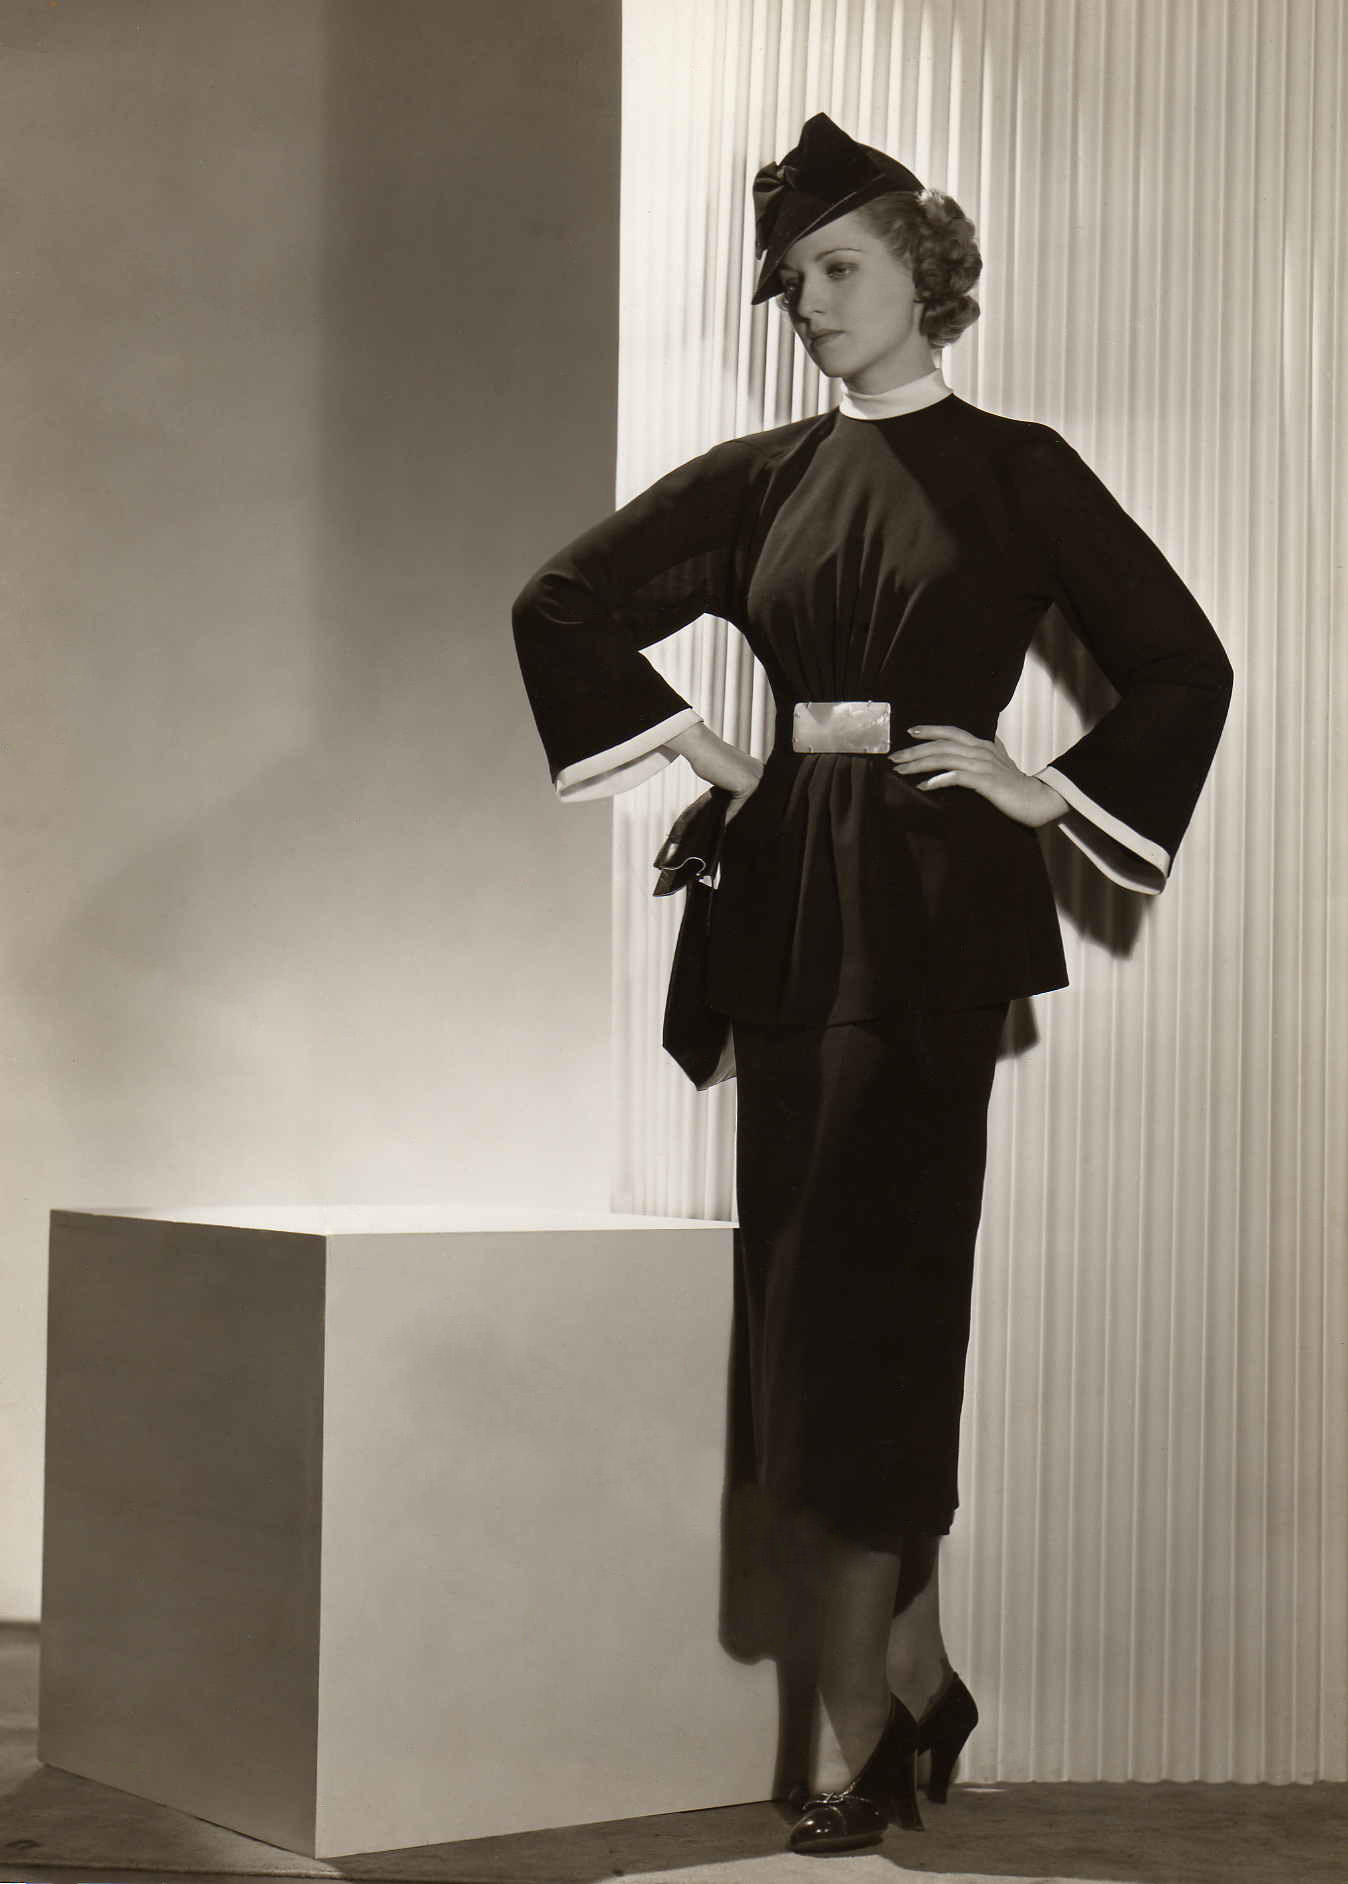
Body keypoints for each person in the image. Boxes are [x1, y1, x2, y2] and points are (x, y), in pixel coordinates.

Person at [512, 111, 1232, 1855]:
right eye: (791, 282)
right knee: (809, 1296)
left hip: (930, 911)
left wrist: (1040, 787)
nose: (810, 304)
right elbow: (561, 604)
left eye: (838, 269)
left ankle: (862, 1711)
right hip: (782, 909)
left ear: (925, 272)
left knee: (878, 1291)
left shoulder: (1019, 470)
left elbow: (1182, 664)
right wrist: (718, 757)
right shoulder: (759, 478)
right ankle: (912, 1669)